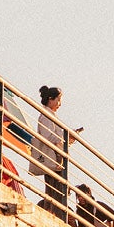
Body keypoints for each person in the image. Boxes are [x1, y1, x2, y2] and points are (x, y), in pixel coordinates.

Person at [34, 86, 75, 219]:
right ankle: (53, 215)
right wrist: (65, 138)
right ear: (50, 99)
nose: (60, 104)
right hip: (52, 158)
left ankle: (54, 214)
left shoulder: (50, 115)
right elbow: (48, 137)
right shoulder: (46, 115)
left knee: (57, 190)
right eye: (58, 100)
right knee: (55, 190)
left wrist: (67, 139)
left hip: (56, 157)